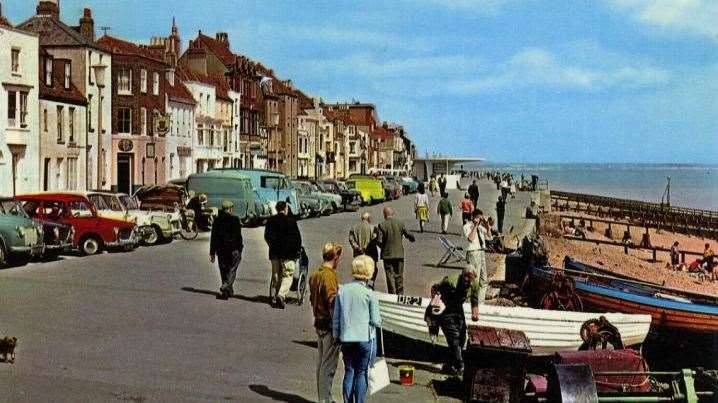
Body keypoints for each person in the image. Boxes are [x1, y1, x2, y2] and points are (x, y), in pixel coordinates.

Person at [333, 255, 382, 403]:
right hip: (365, 339)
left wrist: (336, 335)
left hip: (346, 338)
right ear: (369, 272)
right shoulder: (370, 294)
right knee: (361, 373)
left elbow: (336, 317)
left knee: (349, 371)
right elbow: (375, 321)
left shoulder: (342, 290)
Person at [309, 243, 343, 403]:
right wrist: (337, 326)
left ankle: (324, 397)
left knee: (321, 363)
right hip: (328, 324)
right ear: (335, 257)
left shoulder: (315, 275)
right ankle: (325, 399)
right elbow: (332, 302)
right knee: (328, 366)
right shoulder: (329, 276)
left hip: (319, 322)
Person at [430, 266, 480, 375]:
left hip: (458, 308)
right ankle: (460, 365)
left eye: (470, 282)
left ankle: (449, 364)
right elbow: (434, 289)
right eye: (466, 281)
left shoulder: (474, 283)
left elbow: (474, 300)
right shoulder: (450, 282)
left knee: (462, 337)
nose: (468, 284)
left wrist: (474, 313)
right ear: (463, 277)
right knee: (453, 337)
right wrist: (435, 307)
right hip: (445, 308)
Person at [264, 201, 302, 308]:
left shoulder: (271, 220)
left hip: (275, 252)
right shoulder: (291, 221)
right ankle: (281, 295)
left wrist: (271, 245)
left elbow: (267, 236)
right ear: (285, 208)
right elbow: (297, 239)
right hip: (288, 253)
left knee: (276, 274)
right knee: (288, 274)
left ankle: (276, 294)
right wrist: (297, 251)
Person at [209, 200, 243, 300]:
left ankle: (227, 290)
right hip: (234, 249)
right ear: (231, 209)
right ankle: (226, 286)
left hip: (221, 250)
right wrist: (240, 247)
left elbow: (213, 237)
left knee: (223, 270)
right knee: (232, 269)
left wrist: (212, 252)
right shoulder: (235, 219)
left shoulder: (217, 220)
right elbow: (238, 236)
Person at [377, 207, 416, 295]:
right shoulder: (400, 223)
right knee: (399, 275)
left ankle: (392, 294)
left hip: (387, 255)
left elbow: (379, 241)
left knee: (390, 276)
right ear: (392, 213)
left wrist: (384, 247)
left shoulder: (382, 225)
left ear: (384, 214)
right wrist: (412, 238)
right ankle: (400, 294)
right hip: (399, 254)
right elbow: (408, 234)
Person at [463, 209, 488, 307]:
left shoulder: (481, 227)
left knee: (483, 279)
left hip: (481, 252)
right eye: (478, 218)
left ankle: (480, 303)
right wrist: (475, 226)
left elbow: (489, 236)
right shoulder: (467, 226)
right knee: (474, 280)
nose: (479, 220)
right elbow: (470, 238)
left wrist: (487, 225)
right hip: (473, 253)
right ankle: (472, 303)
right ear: (473, 217)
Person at [349, 212, 380, 286]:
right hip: (370, 254)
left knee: (359, 270)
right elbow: (374, 239)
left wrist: (357, 247)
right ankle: (370, 284)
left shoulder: (354, 228)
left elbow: (351, 239)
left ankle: (359, 284)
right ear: (368, 219)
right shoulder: (374, 228)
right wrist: (365, 247)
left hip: (358, 254)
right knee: (371, 269)